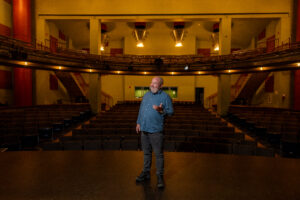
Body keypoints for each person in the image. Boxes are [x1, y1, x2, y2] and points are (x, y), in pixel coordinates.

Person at [136, 76, 174, 188]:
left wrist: (161, 110)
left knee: (158, 155)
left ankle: (159, 176)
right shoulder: (147, 95)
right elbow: (141, 109)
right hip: (144, 129)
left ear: (161, 85)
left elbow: (171, 112)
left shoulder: (165, 97)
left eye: (155, 83)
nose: (152, 84)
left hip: (156, 130)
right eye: (152, 82)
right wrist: (138, 123)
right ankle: (146, 172)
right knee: (146, 153)